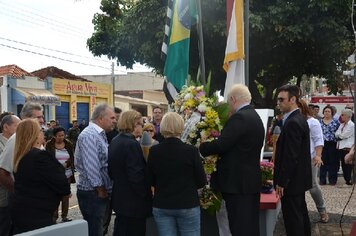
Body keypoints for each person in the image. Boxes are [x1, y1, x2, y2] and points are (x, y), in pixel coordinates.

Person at [199, 84, 265, 236]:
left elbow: (223, 144)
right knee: (250, 225)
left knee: (239, 226)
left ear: (233, 99)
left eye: (229, 103)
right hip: (249, 181)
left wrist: (203, 147)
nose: (228, 107)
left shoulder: (240, 117)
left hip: (237, 183)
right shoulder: (254, 116)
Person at [147, 112, 206, 236]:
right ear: (181, 126)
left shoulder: (154, 151)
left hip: (163, 203)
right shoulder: (191, 151)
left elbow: (150, 180)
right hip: (187, 203)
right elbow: (201, 180)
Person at [11, 119, 70, 234]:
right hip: (38, 216)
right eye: (41, 130)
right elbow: (63, 186)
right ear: (35, 135)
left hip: (22, 213)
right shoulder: (40, 157)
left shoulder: (21, 156)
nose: (43, 132)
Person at [0, 102, 45, 235]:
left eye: (42, 117)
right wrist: (18, 192)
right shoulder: (17, 138)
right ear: (25, 118)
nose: (42, 120)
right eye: (37, 117)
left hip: (36, 202)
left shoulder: (36, 136)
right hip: (24, 203)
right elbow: (2, 172)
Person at [274, 85, 312, 236]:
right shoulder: (297, 119)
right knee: (300, 215)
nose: (279, 103)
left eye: (282, 99)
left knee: (293, 219)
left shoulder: (293, 122)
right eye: (278, 99)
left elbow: (291, 156)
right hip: (297, 180)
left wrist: (282, 182)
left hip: (291, 182)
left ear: (293, 99)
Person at [108, 110, 152, 236]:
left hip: (120, 198)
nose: (142, 127)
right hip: (133, 202)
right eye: (140, 124)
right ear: (133, 124)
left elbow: (111, 171)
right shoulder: (131, 144)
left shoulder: (115, 140)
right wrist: (145, 194)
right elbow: (136, 176)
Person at [75, 103, 116, 236]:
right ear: (100, 118)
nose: (115, 121)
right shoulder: (90, 135)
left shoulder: (99, 134)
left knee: (100, 229)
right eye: (112, 118)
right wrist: (100, 188)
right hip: (93, 193)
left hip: (98, 192)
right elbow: (91, 166)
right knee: (94, 231)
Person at [298, 100, 329, 223]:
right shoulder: (294, 120)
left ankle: (322, 210)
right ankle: (300, 212)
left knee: (313, 185)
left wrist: (318, 155)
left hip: (310, 158)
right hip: (296, 159)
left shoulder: (313, 122)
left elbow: (318, 140)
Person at [46, 127, 76, 223]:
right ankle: (54, 217)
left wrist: (67, 163)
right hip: (54, 175)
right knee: (55, 196)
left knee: (65, 196)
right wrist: (57, 166)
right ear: (54, 136)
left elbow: (72, 158)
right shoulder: (49, 145)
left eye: (63, 135)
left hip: (66, 175)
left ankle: (64, 216)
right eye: (59, 136)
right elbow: (46, 159)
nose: (61, 137)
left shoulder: (69, 144)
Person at [0, 115, 20, 236]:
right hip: (3, 197)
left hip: (15, 197)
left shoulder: (18, 142)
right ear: (6, 127)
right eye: (17, 126)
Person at [319, 105, 340, 185]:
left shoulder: (336, 122)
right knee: (322, 162)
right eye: (325, 111)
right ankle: (322, 180)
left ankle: (332, 180)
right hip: (322, 144)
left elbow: (339, 132)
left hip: (332, 144)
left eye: (328, 111)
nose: (327, 113)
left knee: (333, 162)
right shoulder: (319, 121)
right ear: (323, 112)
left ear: (332, 113)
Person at [335, 109, 354, 186]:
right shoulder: (342, 124)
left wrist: (340, 135)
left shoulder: (352, 125)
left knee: (347, 165)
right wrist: (340, 135)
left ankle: (348, 181)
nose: (341, 116)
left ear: (348, 116)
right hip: (341, 147)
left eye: (343, 115)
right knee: (343, 164)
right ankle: (347, 180)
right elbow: (336, 133)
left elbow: (344, 135)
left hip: (348, 148)